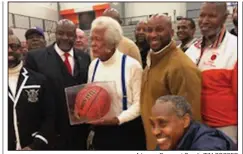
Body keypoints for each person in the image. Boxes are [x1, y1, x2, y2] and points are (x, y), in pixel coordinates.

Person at [24, 19, 91, 150]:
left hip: (79, 131)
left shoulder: (84, 57)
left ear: (75, 35)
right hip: (51, 132)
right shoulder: (35, 58)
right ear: (55, 34)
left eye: (70, 34)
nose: (65, 38)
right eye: (61, 33)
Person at [140, 14, 202, 150]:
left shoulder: (181, 67)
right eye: (149, 30)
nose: (153, 35)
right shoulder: (153, 59)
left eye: (159, 29)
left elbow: (191, 119)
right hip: (153, 142)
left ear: (172, 33)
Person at [88, 16, 146, 150]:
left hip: (127, 132)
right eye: (92, 39)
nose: (93, 44)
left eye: (98, 39)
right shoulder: (93, 66)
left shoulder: (132, 66)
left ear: (111, 42)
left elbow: (139, 103)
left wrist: (118, 119)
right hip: (101, 132)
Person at [186, 2, 237, 143]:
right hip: (195, 125)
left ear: (224, 17)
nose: (204, 21)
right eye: (202, 15)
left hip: (225, 127)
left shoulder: (236, 48)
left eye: (212, 16)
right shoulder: (191, 50)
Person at [8, 35, 55, 150]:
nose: (8, 50)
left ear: (21, 49)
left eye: (13, 46)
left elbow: (50, 116)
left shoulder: (39, 80)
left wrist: (36, 144)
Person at [151, 95, 237, 150]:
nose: (155, 132)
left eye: (163, 123)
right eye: (153, 125)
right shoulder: (169, 141)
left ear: (185, 121)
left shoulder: (209, 144)